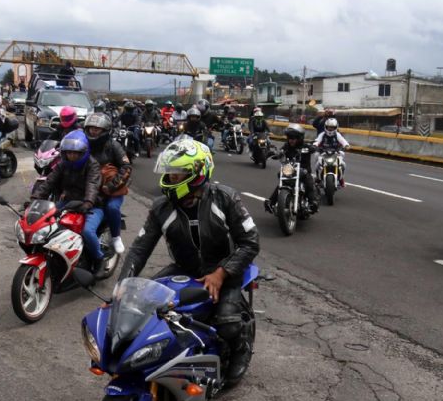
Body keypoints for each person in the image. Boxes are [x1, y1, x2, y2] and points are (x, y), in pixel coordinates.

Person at [119, 138, 260, 383]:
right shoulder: (161, 207)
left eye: (177, 173)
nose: (171, 178)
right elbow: (139, 249)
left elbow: (250, 242)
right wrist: (121, 289)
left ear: (197, 173)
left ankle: (240, 351)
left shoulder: (225, 198)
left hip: (225, 269)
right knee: (143, 310)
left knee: (227, 323)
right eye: (169, 173)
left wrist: (222, 273)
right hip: (185, 268)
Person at [30, 130, 103, 265]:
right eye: (69, 153)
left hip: (92, 205)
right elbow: (49, 182)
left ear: (83, 153)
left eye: (76, 153)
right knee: (47, 223)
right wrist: (35, 199)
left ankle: (99, 259)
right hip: (68, 202)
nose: (72, 156)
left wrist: (88, 202)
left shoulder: (92, 165)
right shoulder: (62, 164)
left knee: (87, 231)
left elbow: (92, 184)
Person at [83, 113, 132, 268]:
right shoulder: (84, 144)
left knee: (111, 207)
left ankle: (116, 237)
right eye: (91, 128)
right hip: (90, 188)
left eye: (97, 129)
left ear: (105, 130)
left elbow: (126, 167)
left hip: (112, 190)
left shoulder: (113, 146)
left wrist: (110, 186)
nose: (93, 132)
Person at [264, 124, 318, 213]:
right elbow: (280, 152)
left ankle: (313, 203)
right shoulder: (286, 146)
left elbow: (313, 148)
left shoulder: (305, 146)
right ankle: (271, 202)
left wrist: (313, 148)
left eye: (293, 138)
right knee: (282, 181)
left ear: (299, 138)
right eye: (289, 138)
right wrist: (273, 154)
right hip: (290, 169)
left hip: (304, 170)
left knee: (309, 181)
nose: (291, 140)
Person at [312, 117, 350, 185]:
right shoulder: (322, 134)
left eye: (332, 127)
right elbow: (317, 140)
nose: (330, 129)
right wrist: (315, 145)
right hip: (323, 152)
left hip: (335, 152)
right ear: (325, 127)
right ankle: (317, 177)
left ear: (336, 127)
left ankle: (341, 178)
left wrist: (346, 145)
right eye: (329, 127)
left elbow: (343, 141)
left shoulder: (337, 135)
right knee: (317, 158)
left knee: (343, 164)